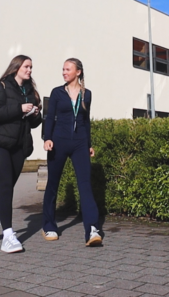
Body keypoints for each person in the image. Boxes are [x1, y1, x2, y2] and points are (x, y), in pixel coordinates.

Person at [0, 55, 42, 253]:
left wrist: (35, 114)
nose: (29, 70)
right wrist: (19, 108)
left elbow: (34, 123)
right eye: (26, 66)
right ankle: (8, 235)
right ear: (16, 67)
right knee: (6, 186)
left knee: (6, 189)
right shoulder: (1, 86)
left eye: (31, 67)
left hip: (19, 147)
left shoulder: (31, 92)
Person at [42, 58, 102, 246]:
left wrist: (89, 143)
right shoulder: (57, 92)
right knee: (53, 183)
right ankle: (49, 225)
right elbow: (50, 117)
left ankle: (92, 229)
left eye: (68, 69)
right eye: (63, 69)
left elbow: (86, 121)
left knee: (85, 184)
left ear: (78, 72)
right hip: (58, 142)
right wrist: (47, 138)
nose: (64, 72)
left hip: (79, 143)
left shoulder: (87, 94)